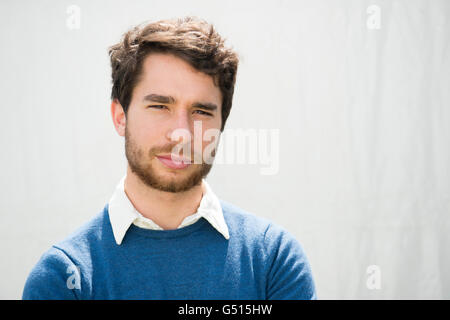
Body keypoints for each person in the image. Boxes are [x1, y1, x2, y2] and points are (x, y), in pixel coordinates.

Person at [22, 16, 317, 300]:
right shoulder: (64, 278)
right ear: (120, 117)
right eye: (160, 106)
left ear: (221, 124)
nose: (182, 134)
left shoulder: (273, 262)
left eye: (201, 112)